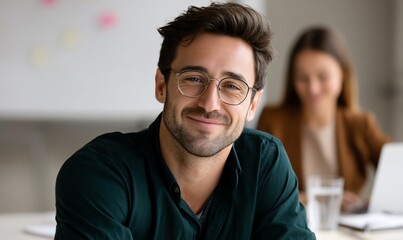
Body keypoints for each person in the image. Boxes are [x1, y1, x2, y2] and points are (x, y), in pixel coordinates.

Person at [55, 2, 315, 239]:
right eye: (193, 78)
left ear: (253, 104)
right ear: (161, 85)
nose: (210, 104)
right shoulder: (99, 174)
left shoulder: (264, 162)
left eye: (232, 86)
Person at [257, 26, 390, 213]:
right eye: (303, 77)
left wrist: (374, 203)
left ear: (342, 75)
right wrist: (315, 198)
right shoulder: (273, 119)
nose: (313, 88)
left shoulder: (361, 124)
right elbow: (259, 187)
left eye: (323, 76)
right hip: (292, 226)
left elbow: (396, 166)